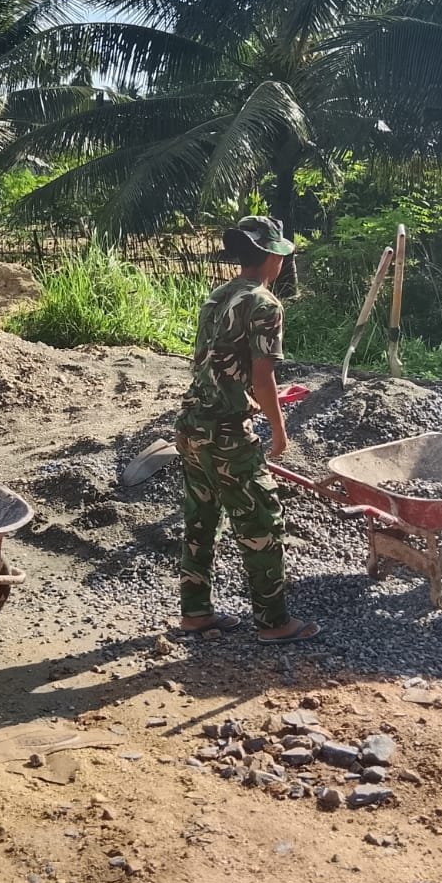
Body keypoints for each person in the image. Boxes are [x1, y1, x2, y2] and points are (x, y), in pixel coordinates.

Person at [173, 216, 320, 644]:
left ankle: (195, 614)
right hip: (227, 434)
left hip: (192, 424)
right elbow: (261, 376)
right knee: (261, 522)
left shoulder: (217, 296)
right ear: (273, 257)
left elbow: (215, 363)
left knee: (200, 519)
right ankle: (274, 624)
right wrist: (278, 429)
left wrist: (253, 396)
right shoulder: (265, 304)